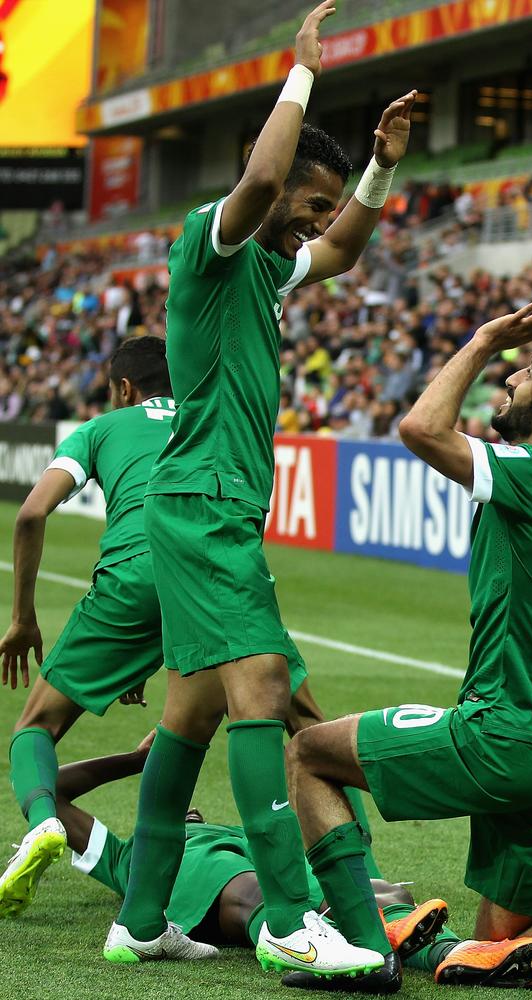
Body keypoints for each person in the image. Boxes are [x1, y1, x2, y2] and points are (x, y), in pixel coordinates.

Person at [105, 0, 419, 979]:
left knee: (189, 714)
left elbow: (344, 246)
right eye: (313, 204)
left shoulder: (272, 268)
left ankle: (141, 916)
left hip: (208, 502)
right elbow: (265, 177)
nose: (319, 224)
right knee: (265, 690)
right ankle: (288, 916)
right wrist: (301, 73)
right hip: (202, 502)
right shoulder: (214, 241)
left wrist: (377, 167)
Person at [284, 310, 532, 995]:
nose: (511, 375)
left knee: (307, 752)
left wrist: (479, 341)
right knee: (496, 950)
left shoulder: (531, 475)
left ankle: (360, 946)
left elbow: (420, 428)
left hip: (506, 736)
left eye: (528, 375)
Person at [58, 732, 532, 985]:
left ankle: (456, 955)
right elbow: (55, 795)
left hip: (275, 877)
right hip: (216, 889)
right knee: (255, 895)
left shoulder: (234, 831)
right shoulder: (132, 855)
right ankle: (354, 935)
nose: (181, 803)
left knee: (387, 895)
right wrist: (134, 761)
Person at [0, 337, 175, 917]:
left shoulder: (104, 427)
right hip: (215, 579)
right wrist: (152, 650)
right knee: (292, 724)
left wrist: (24, 618)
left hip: (130, 580)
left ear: (124, 388)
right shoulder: (213, 416)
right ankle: (359, 882)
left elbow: (30, 512)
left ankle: (47, 822)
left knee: (34, 730)